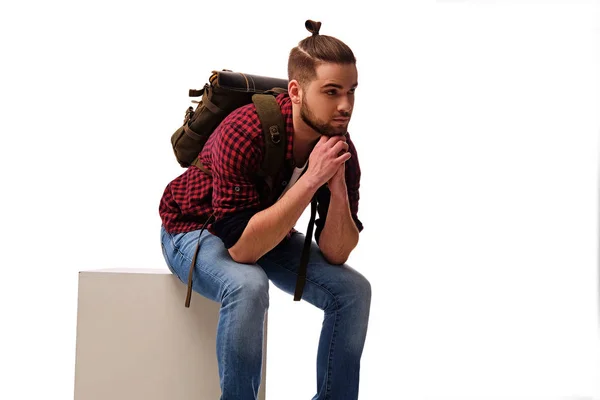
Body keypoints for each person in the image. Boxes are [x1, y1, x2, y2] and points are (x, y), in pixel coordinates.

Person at [159, 19, 371, 400]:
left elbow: (338, 253)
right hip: (192, 227)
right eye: (332, 91)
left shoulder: (339, 147)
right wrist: (310, 180)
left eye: (352, 91)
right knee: (247, 284)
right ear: (296, 91)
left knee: (354, 292)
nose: (345, 105)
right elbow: (242, 251)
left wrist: (336, 190)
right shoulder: (246, 129)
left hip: (263, 228)